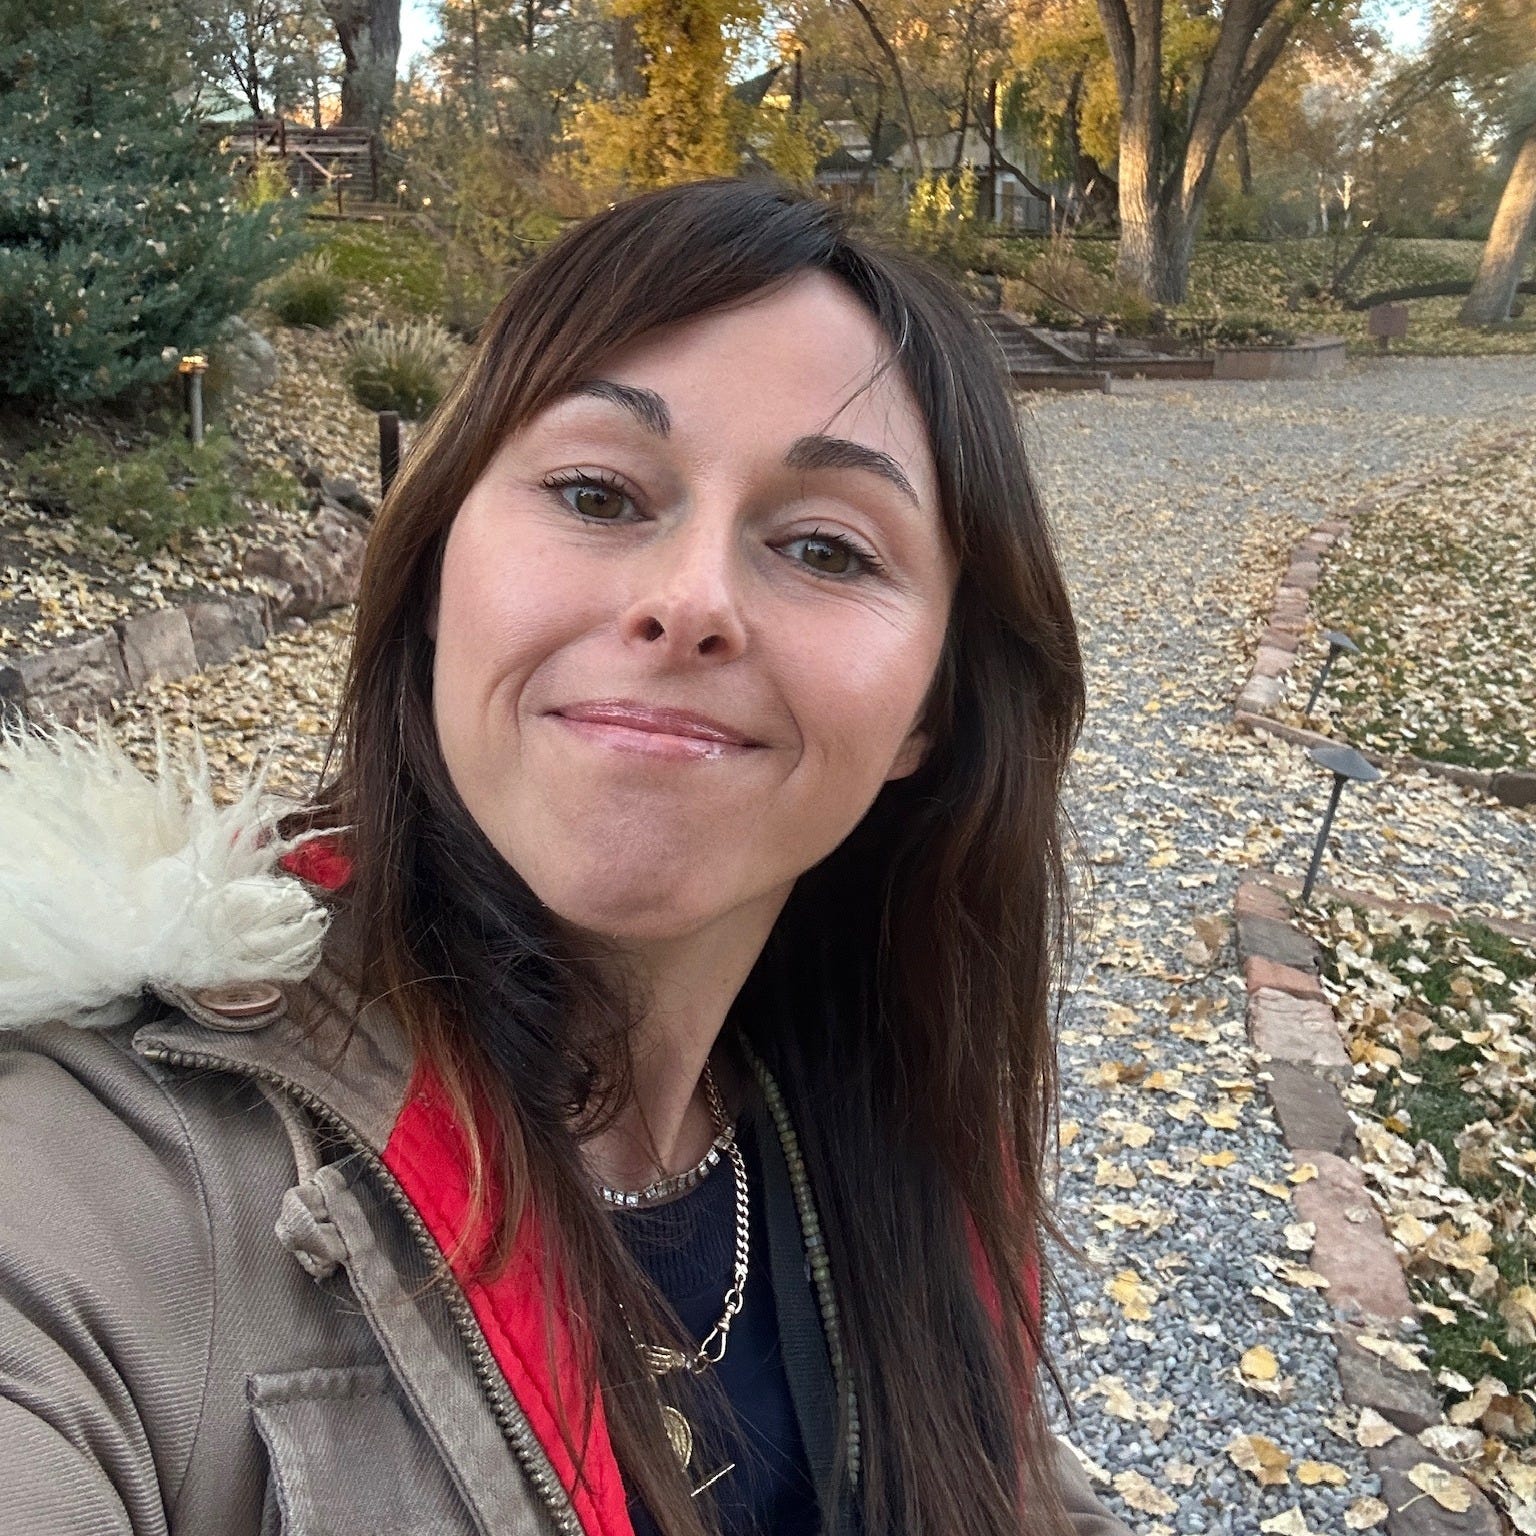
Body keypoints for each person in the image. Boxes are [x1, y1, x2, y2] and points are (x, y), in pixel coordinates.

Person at [0, 179, 1134, 1536]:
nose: (691, 601)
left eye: (828, 548)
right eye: (597, 492)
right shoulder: (106, 1177)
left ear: (931, 709)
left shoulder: (913, 1135)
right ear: (436, 575)